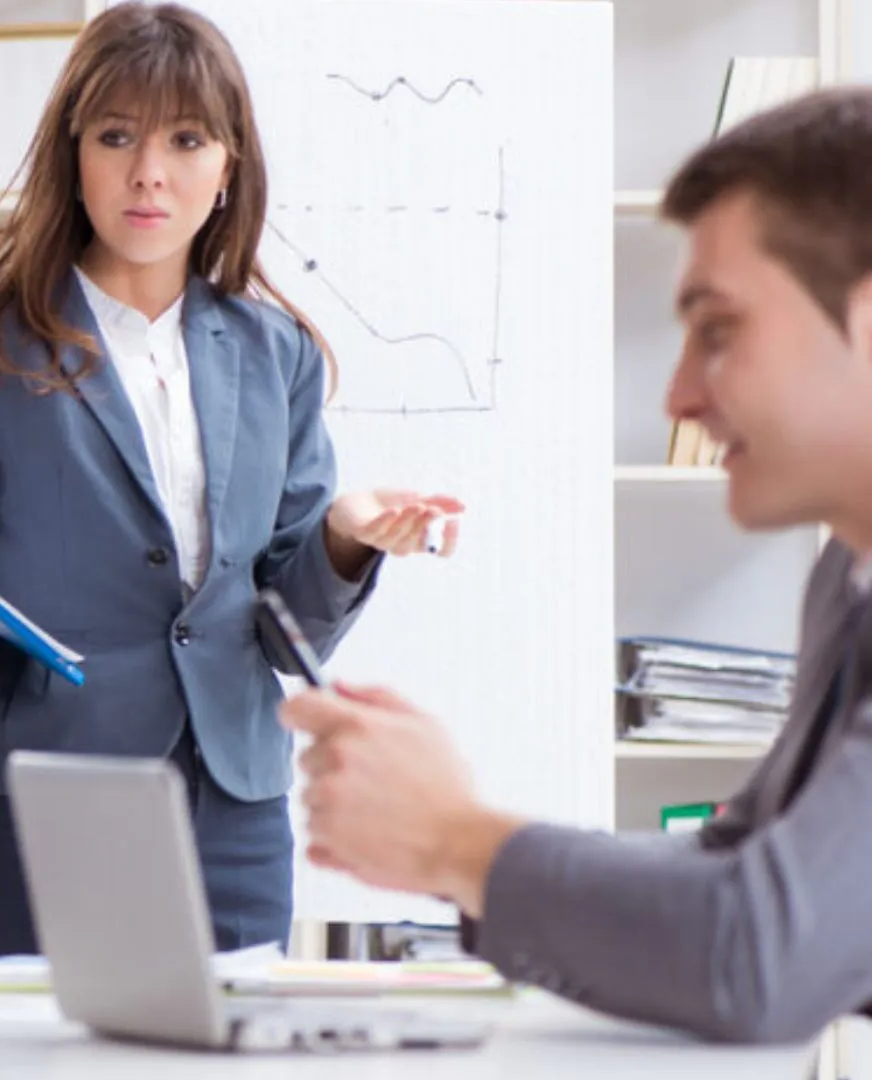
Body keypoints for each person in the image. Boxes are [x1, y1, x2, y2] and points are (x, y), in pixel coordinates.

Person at [0, 1, 462, 957]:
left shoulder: (280, 354)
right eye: (117, 136)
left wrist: (346, 536)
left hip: (236, 794)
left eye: (187, 139)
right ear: (75, 155)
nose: (150, 171)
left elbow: (283, 624)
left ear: (228, 166)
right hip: (49, 786)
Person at [285, 87, 872, 1044]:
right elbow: (738, 864)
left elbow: (761, 953)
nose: (678, 395)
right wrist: (453, 838)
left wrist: (454, 838)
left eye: (718, 330)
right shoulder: (848, 578)